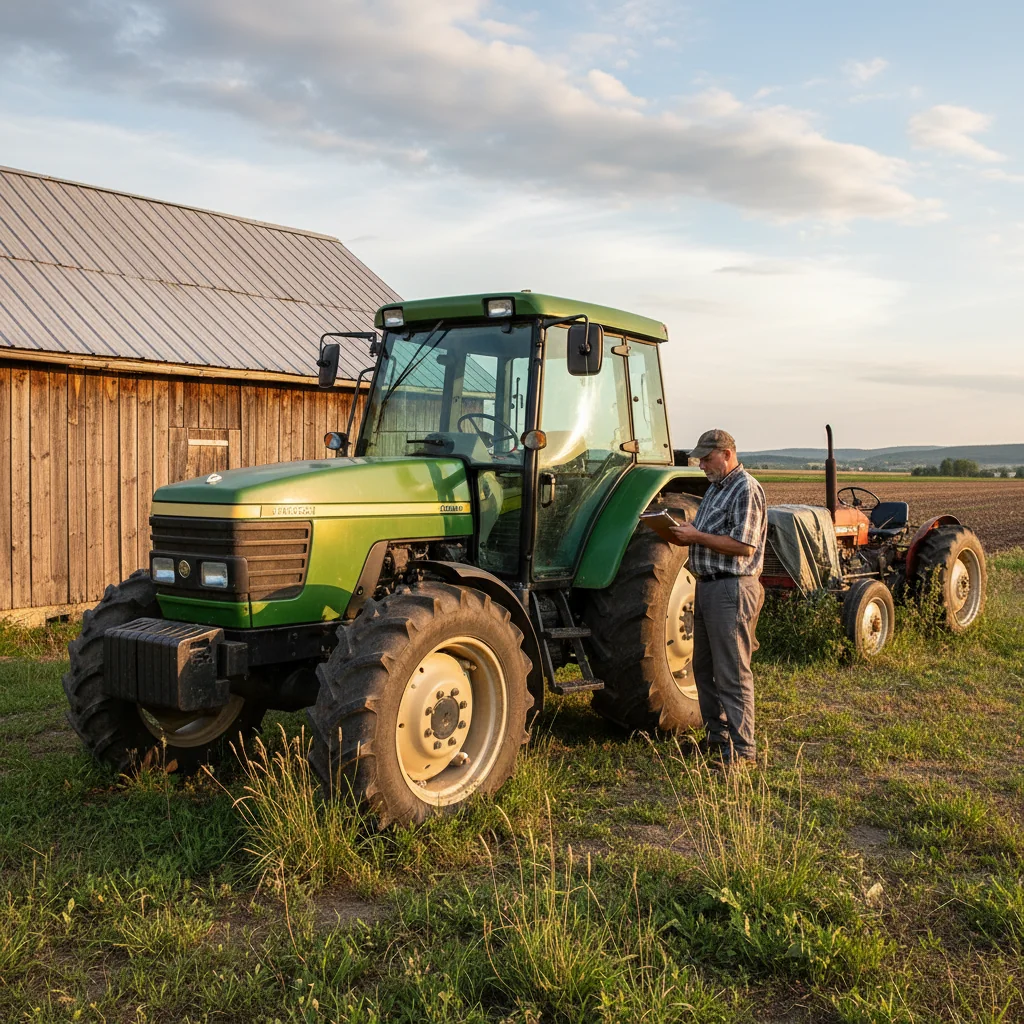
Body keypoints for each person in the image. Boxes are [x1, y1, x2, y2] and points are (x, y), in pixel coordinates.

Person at [646, 429, 766, 766]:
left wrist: (696, 535)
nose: (701, 464)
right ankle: (717, 740)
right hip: (709, 585)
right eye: (700, 458)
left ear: (727, 453)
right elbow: (709, 537)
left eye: (707, 457)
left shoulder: (746, 489)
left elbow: (744, 545)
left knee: (732, 672)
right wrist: (683, 536)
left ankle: (743, 752)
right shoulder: (716, 489)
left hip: (733, 587)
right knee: (703, 668)